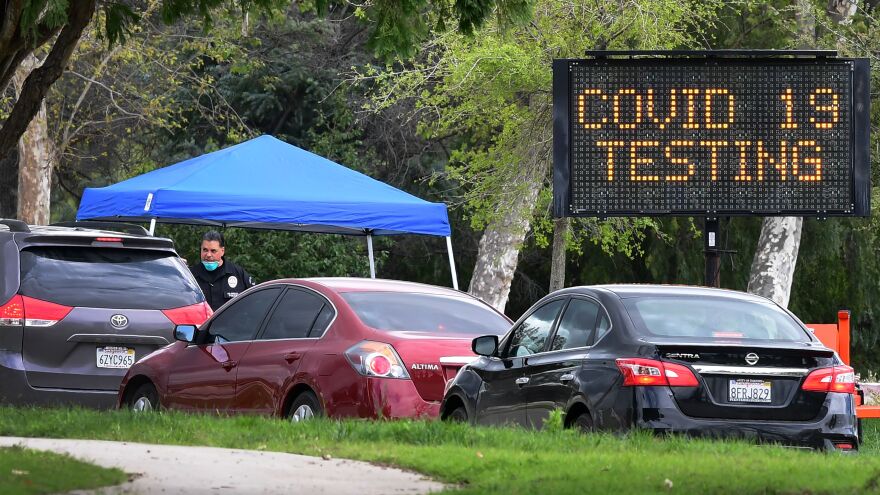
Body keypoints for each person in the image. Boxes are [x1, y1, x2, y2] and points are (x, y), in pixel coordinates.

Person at [190, 231, 255, 311]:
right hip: (202, 323)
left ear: (222, 251)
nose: (208, 255)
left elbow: (254, 300)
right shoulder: (190, 275)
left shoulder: (238, 274)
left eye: (213, 251)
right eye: (205, 250)